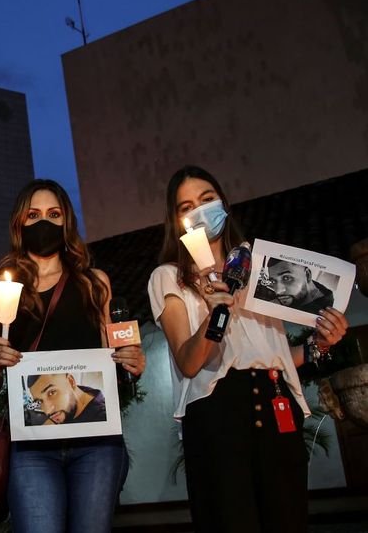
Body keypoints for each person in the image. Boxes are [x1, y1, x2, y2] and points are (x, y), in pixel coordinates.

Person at [147, 165, 348, 532]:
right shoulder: (169, 277)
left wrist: (320, 343)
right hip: (217, 413)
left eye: (207, 200)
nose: (199, 210)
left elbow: (279, 355)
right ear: (176, 221)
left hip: (276, 402)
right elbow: (189, 363)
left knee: (287, 518)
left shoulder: (263, 272)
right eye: (186, 206)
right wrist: (214, 313)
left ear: (224, 202)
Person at [0, 179, 144, 533]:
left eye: (53, 214)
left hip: (97, 444)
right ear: (19, 224)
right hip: (32, 445)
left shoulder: (94, 283)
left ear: (66, 221)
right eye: (33, 214)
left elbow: (112, 360)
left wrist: (130, 363)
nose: (44, 223)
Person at [26, 373, 107, 425]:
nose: (47, 411)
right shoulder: (78, 393)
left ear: (71, 381)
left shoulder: (103, 418)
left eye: (52, 392)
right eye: (40, 401)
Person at [264, 258, 334, 314]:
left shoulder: (327, 311)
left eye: (286, 278)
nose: (278, 291)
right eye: (273, 281)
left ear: (307, 275)